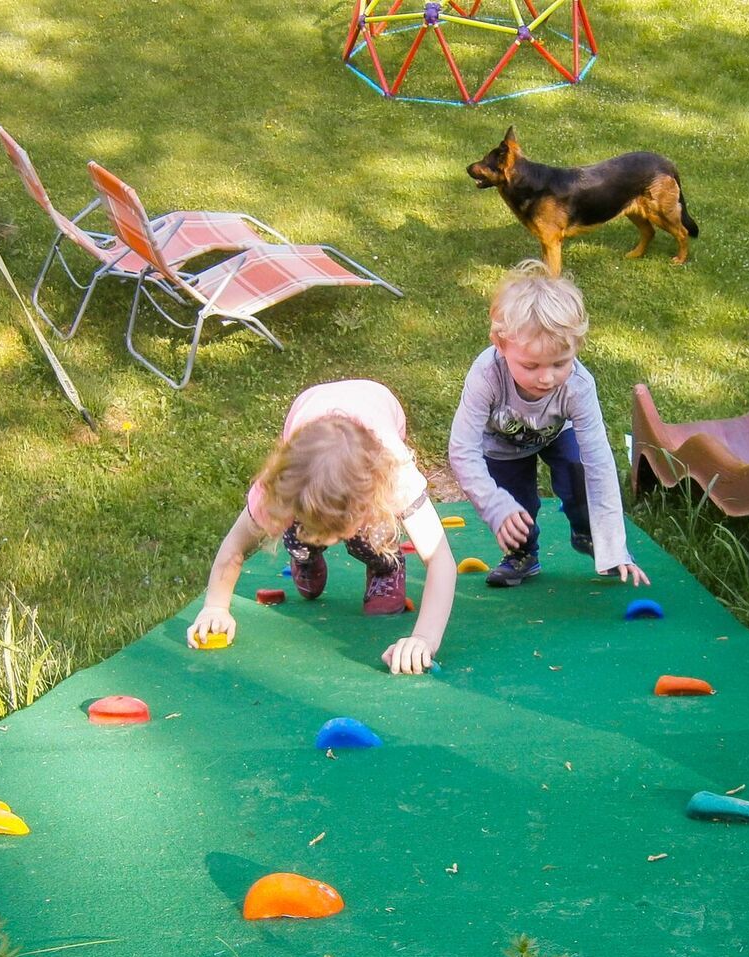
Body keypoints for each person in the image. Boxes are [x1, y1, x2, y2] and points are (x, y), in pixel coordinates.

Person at [188, 380, 456, 674]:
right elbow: (235, 547)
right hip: (310, 411)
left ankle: (385, 566)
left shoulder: (394, 474)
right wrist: (215, 607)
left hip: (378, 402)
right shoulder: (281, 484)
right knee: (298, 534)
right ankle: (305, 554)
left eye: (338, 530)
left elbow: (440, 559)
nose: (334, 540)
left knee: (373, 532)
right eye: (322, 531)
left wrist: (423, 639)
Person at [448, 260, 649, 588]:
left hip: (557, 433)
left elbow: (598, 461)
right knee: (515, 507)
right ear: (501, 346)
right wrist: (494, 505)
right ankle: (522, 556)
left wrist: (614, 546)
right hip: (502, 444)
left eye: (560, 363)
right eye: (530, 365)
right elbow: (461, 449)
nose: (546, 377)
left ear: (576, 348)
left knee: (578, 471)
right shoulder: (486, 375)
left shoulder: (578, 386)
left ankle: (587, 532)